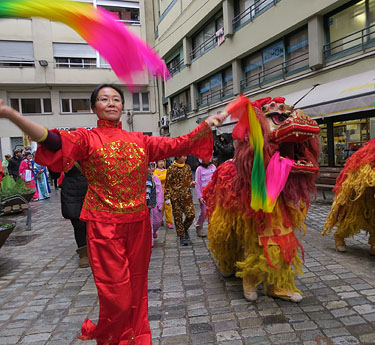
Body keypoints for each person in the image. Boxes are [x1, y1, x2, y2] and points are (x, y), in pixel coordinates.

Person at [0, 84, 226, 345]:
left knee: (137, 291)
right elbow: (51, 140)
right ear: (94, 106)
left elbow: (179, 144)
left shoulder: (141, 140)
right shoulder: (86, 138)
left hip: (138, 225)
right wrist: (14, 116)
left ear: (122, 106)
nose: (111, 103)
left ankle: (137, 338)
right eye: (104, 99)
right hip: (104, 226)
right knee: (116, 296)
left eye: (116, 99)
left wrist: (207, 125)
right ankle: (112, 338)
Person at [61, 163, 89, 268]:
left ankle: (98, 250)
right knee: (78, 223)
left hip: (93, 185)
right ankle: (84, 253)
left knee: (96, 222)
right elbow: (54, 171)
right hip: (72, 188)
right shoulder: (66, 152)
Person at [164, 155, 195, 246]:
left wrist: (191, 183)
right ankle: (182, 236)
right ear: (177, 157)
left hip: (187, 196)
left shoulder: (187, 167)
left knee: (191, 215)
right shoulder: (171, 168)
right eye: (183, 156)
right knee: (178, 217)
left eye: (186, 156)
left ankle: (184, 229)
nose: (185, 158)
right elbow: (168, 184)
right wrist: (167, 197)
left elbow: (189, 180)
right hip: (175, 197)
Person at [194, 158, 216, 237]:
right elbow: (198, 184)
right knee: (204, 212)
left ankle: (212, 228)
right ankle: (199, 226)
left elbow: (216, 180)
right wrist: (200, 197)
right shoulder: (199, 169)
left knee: (212, 212)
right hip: (204, 196)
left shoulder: (213, 167)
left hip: (213, 195)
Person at [153, 159, 174, 229]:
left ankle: (169, 222)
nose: (161, 163)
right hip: (159, 194)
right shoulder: (155, 171)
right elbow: (157, 178)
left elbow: (170, 179)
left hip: (167, 193)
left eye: (162, 161)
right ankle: (160, 219)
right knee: (160, 208)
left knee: (168, 207)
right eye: (159, 161)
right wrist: (166, 177)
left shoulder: (166, 171)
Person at [147, 166, 163, 247]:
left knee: (158, 221)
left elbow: (159, 192)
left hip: (156, 204)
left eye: (151, 167)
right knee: (149, 223)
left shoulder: (156, 179)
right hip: (147, 205)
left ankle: (153, 232)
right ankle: (150, 240)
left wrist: (160, 203)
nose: (149, 169)